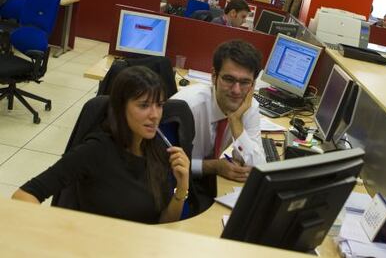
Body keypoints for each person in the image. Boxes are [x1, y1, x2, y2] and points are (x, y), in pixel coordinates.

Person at [12, 66, 190, 224]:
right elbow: (24, 195)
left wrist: (181, 189)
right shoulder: (96, 150)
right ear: (120, 108)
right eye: (144, 105)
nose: (155, 115)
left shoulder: (158, 150)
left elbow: (163, 224)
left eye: (159, 105)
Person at [171, 40, 266, 185]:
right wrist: (213, 167)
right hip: (175, 184)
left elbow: (258, 167)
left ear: (253, 85)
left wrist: (235, 121)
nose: (236, 90)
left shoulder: (249, 107)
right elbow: (160, 164)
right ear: (214, 76)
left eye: (245, 82)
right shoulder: (187, 106)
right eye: (229, 79)